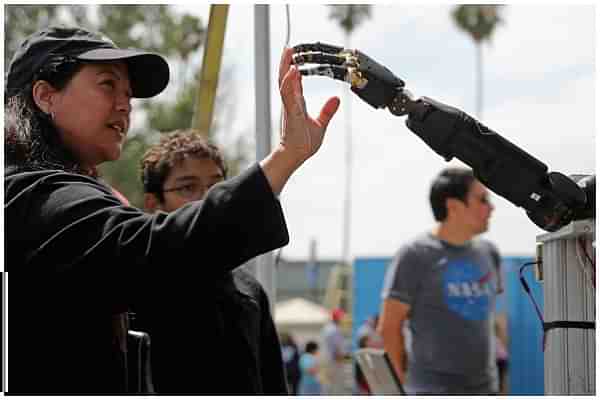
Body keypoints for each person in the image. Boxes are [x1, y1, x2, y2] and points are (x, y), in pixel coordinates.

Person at [5, 25, 340, 394]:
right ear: (45, 96)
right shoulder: (27, 194)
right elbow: (156, 248)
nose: (124, 104)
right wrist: (285, 158)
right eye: (107, 84)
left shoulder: (63, 194)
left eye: (129, 94)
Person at [135, 130, 287, 394]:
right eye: (187, 187)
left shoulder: (248, 290)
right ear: (154, 203)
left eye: (216, 185)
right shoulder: (141, 283)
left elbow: (273, 384)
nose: (206, 197)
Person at [378, 167, 503, 395]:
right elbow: (389, 328)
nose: (492, 207)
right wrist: (397, 392)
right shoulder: (415, 254)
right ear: (453, 206)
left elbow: (489, 322)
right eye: (482, 199)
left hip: (486, 391)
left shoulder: (490, 254)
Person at [320, 307, 348, 394]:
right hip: (334, 362)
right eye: (341, 317)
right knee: (336, 389)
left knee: (327, 387)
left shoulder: (327, 328)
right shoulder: (334, 330)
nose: (343, 319)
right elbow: (337, 350)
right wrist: (345, 359)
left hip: (327, 360)